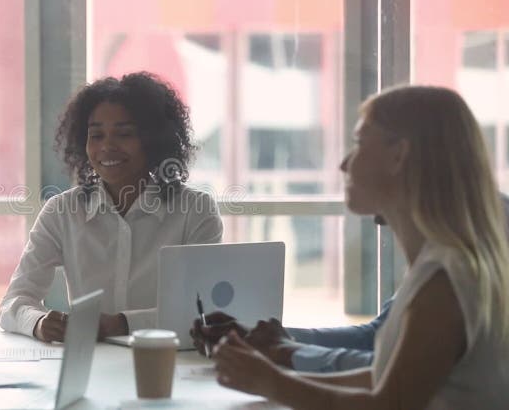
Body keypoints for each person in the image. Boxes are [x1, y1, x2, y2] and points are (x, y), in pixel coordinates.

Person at [211, 85, 509, 409]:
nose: (343, 164)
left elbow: (388, 405)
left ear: (398, 156)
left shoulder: (444, 281)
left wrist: (272, 383)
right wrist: (270, 377)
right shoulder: (441, 264)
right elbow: (384, 379)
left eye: (359, 142)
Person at [0, 71, 224, 342]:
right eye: (96, 135)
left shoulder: (196, 211)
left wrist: (120, 324)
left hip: (167, 364)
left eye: (124, 134)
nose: (107, 147)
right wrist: (38, 322)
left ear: (154, 140)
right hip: (88, 367)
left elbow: (203, 310)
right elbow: (14, 302)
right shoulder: (62, 211)